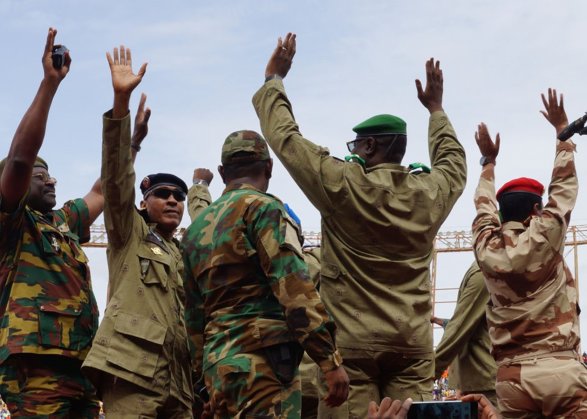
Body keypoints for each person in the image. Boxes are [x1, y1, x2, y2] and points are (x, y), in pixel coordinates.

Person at [252, 33, 467, 417]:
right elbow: (454, 163)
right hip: (412, 344)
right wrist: (436, 110)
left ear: (369, 147)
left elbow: (286, 138)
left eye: (355, 146)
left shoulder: (342, 185)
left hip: (352, 345)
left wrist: (274, 81)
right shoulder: (430, 193)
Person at [182, 130, 349, 418]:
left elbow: (193, 315)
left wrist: (201, 383)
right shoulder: (265, 209)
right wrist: (328, 360)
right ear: (269, 167)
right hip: (264, 364)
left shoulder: (194, 231)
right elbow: (294, 289)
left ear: (222, 173)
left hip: (218, 366)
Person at [81, 45, 210, 418]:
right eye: (163, 194)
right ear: (143, 202)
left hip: (179, 383)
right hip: (131, 372)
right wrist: (121, 105)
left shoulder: (180, 254)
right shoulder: (129, 232)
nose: (173, 200)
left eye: (180, 197)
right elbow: (116, 178)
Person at [0, 28, 104, 417]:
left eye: (52, 176)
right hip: (36, 365)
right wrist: (50, 84)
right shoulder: (12, 221)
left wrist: (128, 131)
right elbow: (20, 158)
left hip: (81, 363)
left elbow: (103, 190)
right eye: (42, 177)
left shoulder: (62, 222)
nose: (52, 181)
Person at [472, 88, 587, 417]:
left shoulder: (485, 245)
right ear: (536, 210)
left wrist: (488, 163)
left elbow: (482, 206)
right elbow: (563, 187)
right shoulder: (544, 235)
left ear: (500, 216)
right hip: (559, 371)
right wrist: (562, 131)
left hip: (511, 379)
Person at [432, 261, 497, 406]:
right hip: (479, 379)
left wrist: (427, 373)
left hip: (485, 381)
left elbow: (459, 327)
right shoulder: (484, 268)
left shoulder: (483, 271)